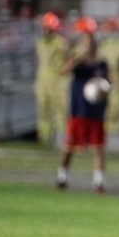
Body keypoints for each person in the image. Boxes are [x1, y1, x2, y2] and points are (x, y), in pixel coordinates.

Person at [57, 16, 110, 194]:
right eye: (87, 41)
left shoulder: (101, 64)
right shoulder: (78, 63)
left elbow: (108, 83)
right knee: (69, 146)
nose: (90, 44)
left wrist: (103, 89)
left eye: (92, 41)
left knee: (98, 147)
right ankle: (62, 176)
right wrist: (76, 58)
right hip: (78, 110)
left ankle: (98, 182)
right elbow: (63, 71)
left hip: (96, 111)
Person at [34, 12, 69, 145]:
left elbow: (68, 59)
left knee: (60, 109)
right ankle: (44, 137)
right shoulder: (40, 43)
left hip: (57, 80)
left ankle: (62, 138)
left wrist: (64, 71)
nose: (46, 30)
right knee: (43, 109)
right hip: (42, 80)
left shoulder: (61, 43)